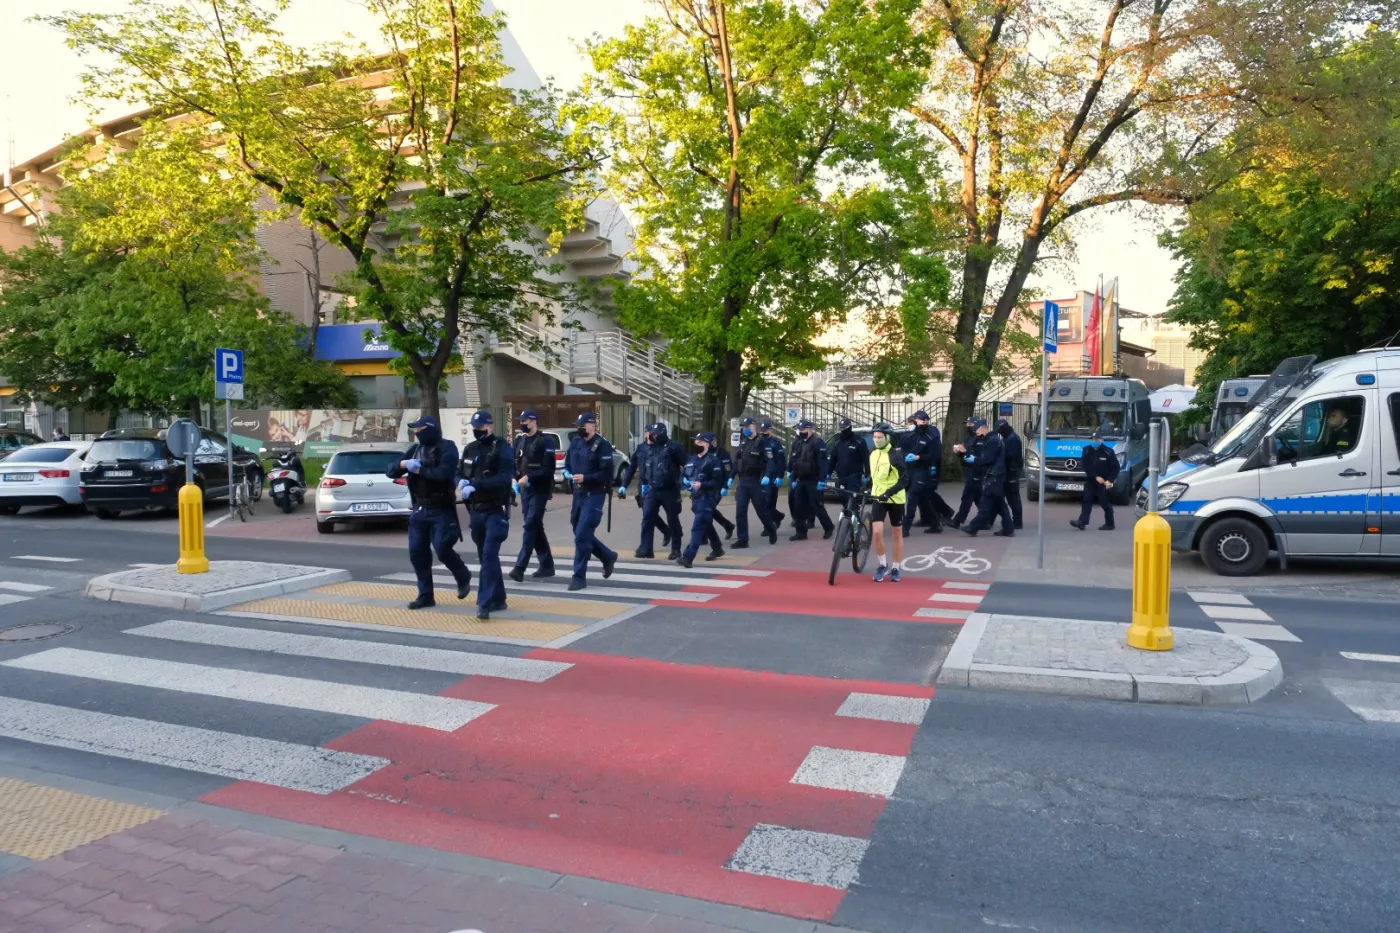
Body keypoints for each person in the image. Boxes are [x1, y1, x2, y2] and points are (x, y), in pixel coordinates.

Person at [386, 414, 471, 609]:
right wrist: (402, 465)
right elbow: (390, 471)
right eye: (415, 430)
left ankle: (462, 575)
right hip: (420, 509)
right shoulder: (415, 450)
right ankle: (426, 595)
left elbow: (444, 474)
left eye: (420, 429)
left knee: (442, 548)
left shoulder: (447, 447)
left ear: (431, 429)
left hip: (441, 508)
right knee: (417, 553)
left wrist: (418, 470)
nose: (417, 434)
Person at [457, 411, 513, 619]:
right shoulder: (471, 448)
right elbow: (460, 471)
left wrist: (476, 485)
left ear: (490, 426)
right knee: (486, 558)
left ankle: (484, 603)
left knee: (489, 555)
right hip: (476, 511)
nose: (477, 431)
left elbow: (506, 477)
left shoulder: (502, 448)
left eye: (480, 428)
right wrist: (461, 482)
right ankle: (499, 599)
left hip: (495, 510)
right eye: (474, 427)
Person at [564, 412, 619, 590]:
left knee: (581, 537)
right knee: (578, 530)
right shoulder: (575, 442)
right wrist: (567, 473)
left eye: (582, 425)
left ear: (592, 426)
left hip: (594, 495)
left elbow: (606, 474)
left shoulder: (602, 446)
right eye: (578, 425)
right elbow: (568, 464)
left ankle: (578, 577)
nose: (579, 428)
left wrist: (586, 478)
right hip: (577, 495)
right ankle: (607, 556)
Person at [620, 422, 686, 560]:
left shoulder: (674, 447)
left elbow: (687, 464)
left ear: (663, 433)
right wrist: (624, 486)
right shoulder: (645, 448)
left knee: (672, 519)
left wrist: (684, 480)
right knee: (647, 518)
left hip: (670, 490)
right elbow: (635, 468)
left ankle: (676, 549)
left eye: (656, 434)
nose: (653, 436)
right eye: (652, 434)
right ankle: (646, 548)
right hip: (650, 489)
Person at [509, 410, 557, 582]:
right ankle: (547, 565)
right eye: (521, 421)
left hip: (540, 490)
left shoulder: (546, 441)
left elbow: (548, 469)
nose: (522, 423)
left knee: (530, 525)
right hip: (524, 491)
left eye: (525, 421)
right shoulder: (519, 440)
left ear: (534, 421)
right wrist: (514, 478)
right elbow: (514, 462)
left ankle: (519, 567)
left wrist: (530, 477)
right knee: (535, 526)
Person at [898, 410, 950, 537]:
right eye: (922, 421)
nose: (924, 424)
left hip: (922, 470)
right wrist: (905, 457)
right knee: (923, 499)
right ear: (915, 421)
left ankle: (905, 528)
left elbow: (935, 456)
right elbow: (901, 450)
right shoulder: (907, 436)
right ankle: (936, 524)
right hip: (908, 469)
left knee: (913, 497)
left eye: (926, 422)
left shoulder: (931, 438)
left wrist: (918, 457)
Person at [868, 422, 908, 582]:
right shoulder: (873, 454)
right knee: (877, 532)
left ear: (887, 438)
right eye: (874, 437)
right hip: (878, 497)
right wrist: (865, 486)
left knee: (896, 533)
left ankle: (896, 567)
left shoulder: (895, 455)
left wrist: (889, 493)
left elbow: (905, 480)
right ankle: (883, 565)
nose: (876, 440)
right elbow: (874, 476)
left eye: (880, 437)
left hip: (895, 499)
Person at [677, 432, 723, 568]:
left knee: (697, 528)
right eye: (695, 442)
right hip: (695, 499)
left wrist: (703, 485)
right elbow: (683, 475)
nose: (696, 444)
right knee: (706, 523)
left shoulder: (713, 461)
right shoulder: (691, 460)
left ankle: (688, 557)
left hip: (707, 498)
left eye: (700, 442)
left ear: (707, 444)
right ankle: (717, 547)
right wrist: (684, 481)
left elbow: (717, 482)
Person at [962, 419, 1014, 537]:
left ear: (983, 428)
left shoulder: (992, 441)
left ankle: (973, 527)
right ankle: (1008, 528)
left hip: (994, 476)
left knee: (985, 503)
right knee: (999, 503)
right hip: (995, 475)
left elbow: (987, 459)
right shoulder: (992, 439)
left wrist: (974, 460)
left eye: (977, 430)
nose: (976, 433)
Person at [732, 417, 779, 547]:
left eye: (747, 427)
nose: (745, 429)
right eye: (744, 427)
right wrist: (730, 477)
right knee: (740, 511)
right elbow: (736, 462)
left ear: (753, 427)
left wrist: (768, 476)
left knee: (761, 510)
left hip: (755, 481)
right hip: (743, 481)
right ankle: (742, 540)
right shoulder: (743, 443)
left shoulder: (763, 442)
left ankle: (771, 528)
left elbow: (770, 461)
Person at [786, 420, 834, 540]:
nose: (801, 432)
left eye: (803, 430)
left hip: (814, 479)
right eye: (800, 430)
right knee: (798, 507)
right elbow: (794, 462)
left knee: (816, 505)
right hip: (800, 479)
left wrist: (822, 479)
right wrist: (791, 477)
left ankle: (828, 527)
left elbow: (823, 463)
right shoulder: (797, 443)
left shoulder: (818, 443)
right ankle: (801, 532)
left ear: (810, 430)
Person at [1070, 431, 1119, 531]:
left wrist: (1110, 480)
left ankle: (1110, 524)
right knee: (1086, 500)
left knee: (1104, 503)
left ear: (1102, 440)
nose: (1094, 441)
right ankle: (1082, 522)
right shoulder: (1087, 450)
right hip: (1091, 481)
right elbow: (1086, 466)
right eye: (1093, 439)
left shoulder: (1108, 452)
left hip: (1104, 483)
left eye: (1096, 439)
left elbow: (1116, 468)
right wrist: (1095, 476)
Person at [829, 418, 871, 508]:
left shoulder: (859, 441)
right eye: (842, 428)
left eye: (845, 428)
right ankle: (848, 518)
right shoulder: (838, 443)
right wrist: (828, 473)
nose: (844, 430)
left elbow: (866, 458)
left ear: (850, 427)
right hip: (841, 477)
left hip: (854, 476)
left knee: (852, 499)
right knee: (844, 500)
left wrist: (867, 474)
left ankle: (855, 518)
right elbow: (833, 459)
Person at [949, 415, 983, 528]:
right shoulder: (969, 437)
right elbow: (965, 452)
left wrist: (965, 451)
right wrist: (959, 451)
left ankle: (958, 520)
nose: (968, 426)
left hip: (975, 471)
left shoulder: (979, 438)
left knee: (967, 497)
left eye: (970, 424)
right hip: (968, 470)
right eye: (967, 424)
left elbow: (978, 456)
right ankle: (986, 518)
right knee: (978, 498)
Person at [758, 420, 787, 533]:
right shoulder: (759, 442)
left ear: (770, 430)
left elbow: (781, 461)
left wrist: (780, 476)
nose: (763, 432)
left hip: (773, 476)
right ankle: (777, 517)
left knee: (769, 501)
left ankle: (768, 526)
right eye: (762, 431)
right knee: (762, 502)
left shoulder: (776, 443)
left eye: (766, 430)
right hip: (762, 475)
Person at [997, 419, 1024, 530]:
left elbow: (1009, 455)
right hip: (1007, 471)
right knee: (1000, 497)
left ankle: (1017, 522)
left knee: (1013, 498)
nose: (1000, 432)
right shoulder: (1008, 437)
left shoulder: (1012, 439)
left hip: (1011, 472)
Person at [711, 440, 736, 541]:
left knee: (706, 510)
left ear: (714, 442)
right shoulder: (703, 452)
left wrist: (725, 486)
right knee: (705, 510)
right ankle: (728, 525)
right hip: (704, 487)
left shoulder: (722, 453)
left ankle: (703, 536)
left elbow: (727, 471)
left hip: (718, 487)